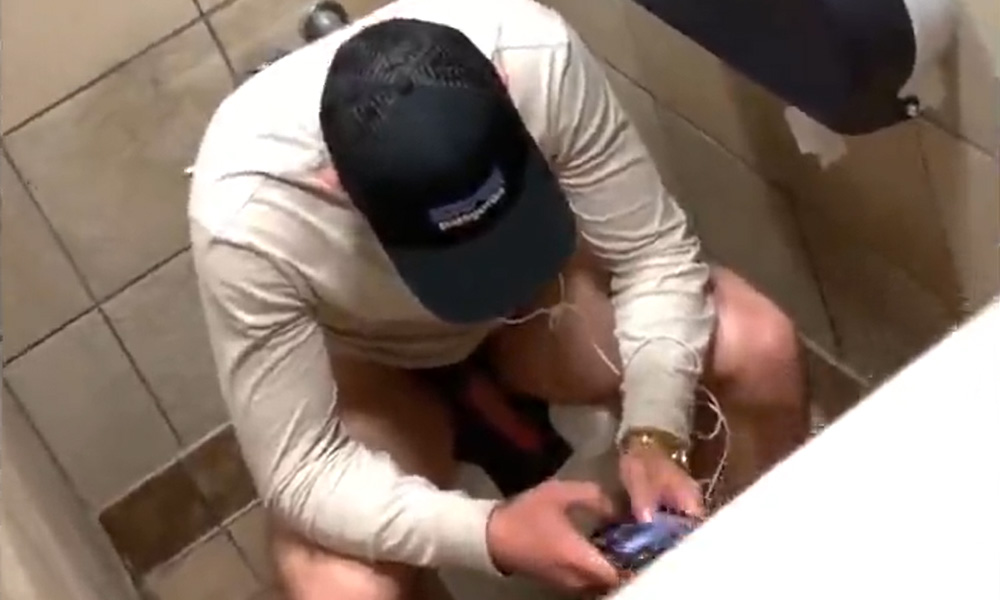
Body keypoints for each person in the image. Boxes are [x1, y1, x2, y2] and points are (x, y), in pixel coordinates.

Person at [188, 0, 808, 598]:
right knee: (340, 591)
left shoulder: (534, 53)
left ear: (505, 89)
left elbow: (654, 256)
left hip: (537, 313)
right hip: (375, 367)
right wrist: (490, 534)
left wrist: (655, 430)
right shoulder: (246, 214)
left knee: (759, 347)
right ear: (336, 187)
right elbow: (302, 470)